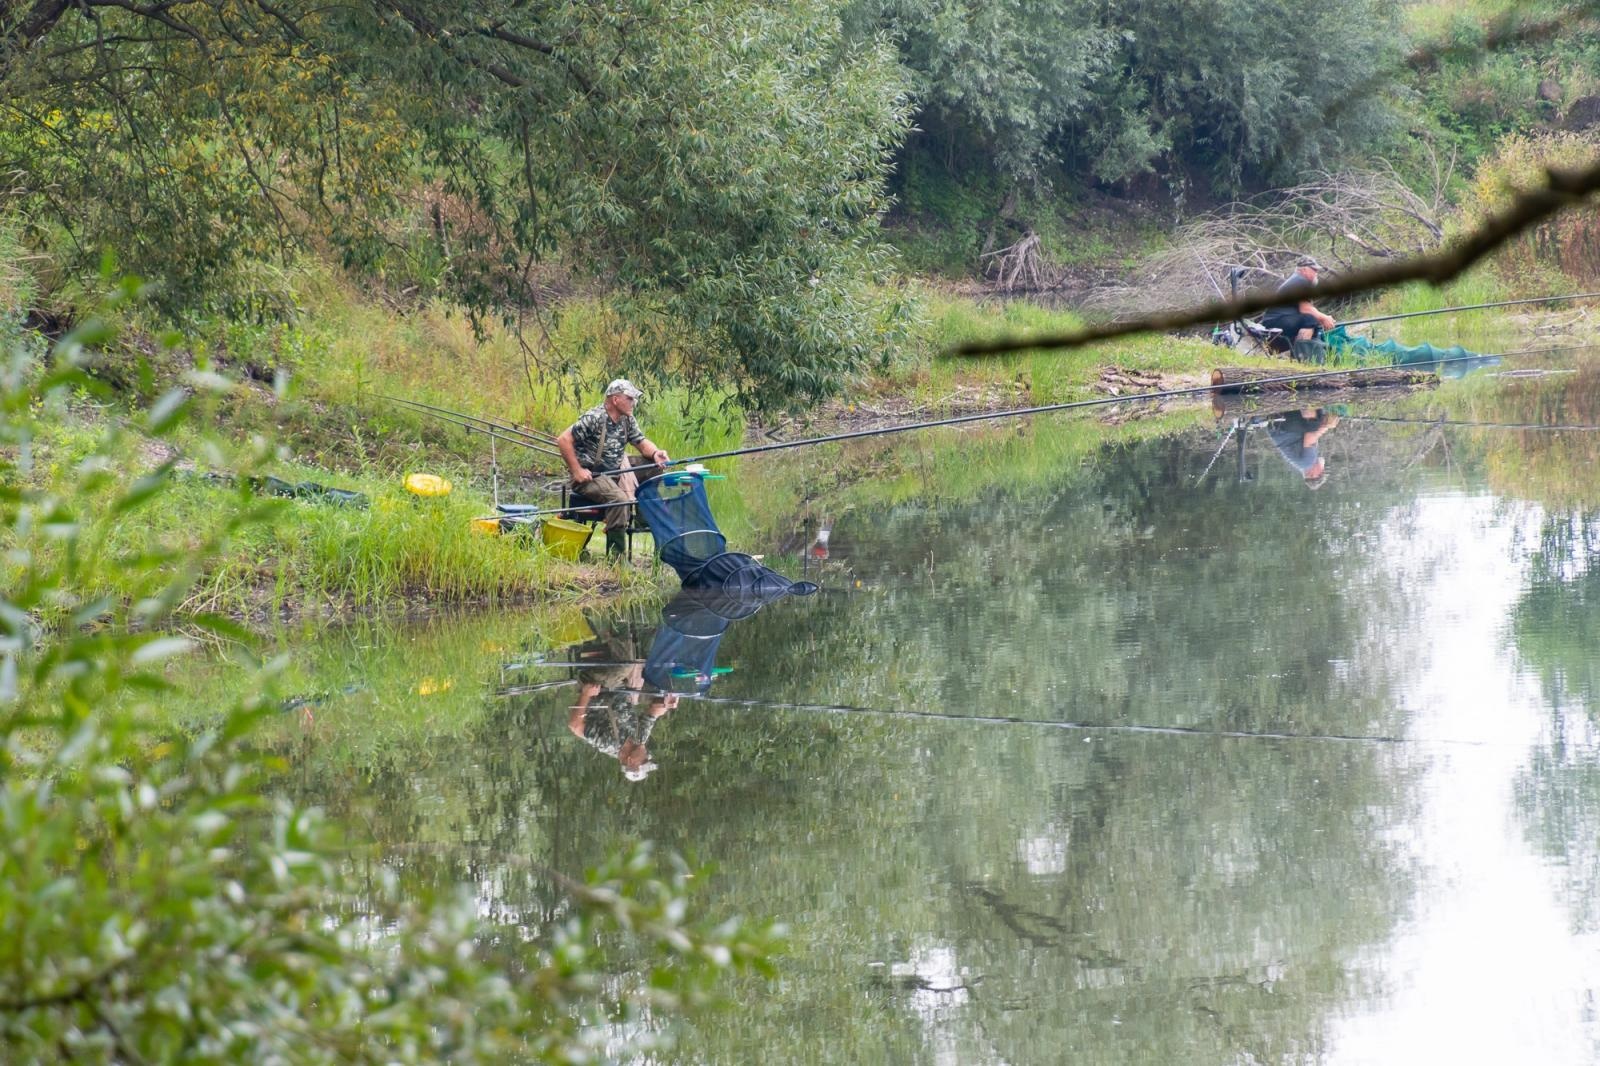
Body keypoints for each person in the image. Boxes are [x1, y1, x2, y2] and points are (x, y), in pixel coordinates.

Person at [556, 378, 670, 558]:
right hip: (590, 477)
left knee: (655, 467)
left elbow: (641, 442)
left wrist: (656, 453)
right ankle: (616, 559)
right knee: (620, 500)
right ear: (616, 400)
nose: (634, 403)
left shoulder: (627, 419)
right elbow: (563, 440)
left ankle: (643, 519)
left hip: (616, 471)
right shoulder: (594, 418)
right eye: (630, 399)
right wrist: (577, 471)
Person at [1261, 257, 1337, 359]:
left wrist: (1322, 319)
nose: (1316, 273)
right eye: (1314, 270)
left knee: (1311, 322)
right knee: (1310, 319)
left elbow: (1306, 307)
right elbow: (1305, 309)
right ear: (1304, 270)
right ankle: (1303, 356)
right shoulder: (1301, 281)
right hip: (1276, 321)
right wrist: (1324, 318)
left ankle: (1302, 355)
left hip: (1278, 321)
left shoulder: (1297, 280)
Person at [1265, 407, 1339, 488]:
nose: (1322, 469)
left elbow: (1310, 436)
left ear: (1312, 474)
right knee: (1318, 421)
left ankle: (1307, 403)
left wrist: (1326, 426)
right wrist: (1324, 424)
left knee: (1314, 425)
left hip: (1282, 426)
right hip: (1279, 426)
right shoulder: (1302, 465)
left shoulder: (1307, 463)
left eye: (1321, 472)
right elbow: (1313, 437)